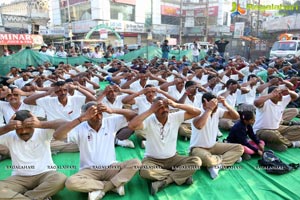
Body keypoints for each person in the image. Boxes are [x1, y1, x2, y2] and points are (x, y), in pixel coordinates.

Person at [53, 102, 141, 200]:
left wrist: (112, 110)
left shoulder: (109, 122)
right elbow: (57, 136)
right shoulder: (79, 128)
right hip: (89, 171)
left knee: (136, 163)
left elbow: (134, 116)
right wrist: (80, 119)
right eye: (94, 114)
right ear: (86, 115)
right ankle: (113, 186)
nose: (99, 117)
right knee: (71, 183)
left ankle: (103, 188)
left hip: (111, 168)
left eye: (100, 113)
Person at [128, 97, 202, 195]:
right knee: (144, 171)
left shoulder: (175, 117)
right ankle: (181, 176)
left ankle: (165, 182)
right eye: (160, 107)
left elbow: (197, 112)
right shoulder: (148, 120)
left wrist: (176, 105)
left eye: (166, 107)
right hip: (152, 160)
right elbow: (131, 126)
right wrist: (150, 110)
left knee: (196, 161)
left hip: (173, 158)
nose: (165, 109)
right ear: (154, 109)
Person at [0, 110, 67, 199]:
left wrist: (40, 124)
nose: (23, 131)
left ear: (33, 124)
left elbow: (65, 123)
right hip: (19, 178)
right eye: (19, 128)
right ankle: (38, 196)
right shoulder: (9, 134)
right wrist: (7, 127)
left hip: (45, 174)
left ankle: (27, 196)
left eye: (27, 127)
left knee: (60, 179)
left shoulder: (42, 131)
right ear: (14, 127)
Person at [190, 92, 244, 179]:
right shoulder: (197, 112)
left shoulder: (217, 111)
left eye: (216, 104)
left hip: (213, 145)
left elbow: (236, 116)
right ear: (204, 102)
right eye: (213, 104)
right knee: (207, 159)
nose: (215, 106)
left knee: (239, 148)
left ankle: (217, 165)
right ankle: (225, 160)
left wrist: (225, 104)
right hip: (198, 148)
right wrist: (209, 109)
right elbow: (199, 125)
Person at [253, 86, 300, 152]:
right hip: (261, 130)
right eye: (278, 93)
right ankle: (291, 144)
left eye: (281, 93)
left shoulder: (282, 100)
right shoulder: (265, 102)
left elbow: (295, 96)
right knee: (273, 134)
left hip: (277, 128)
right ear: (271, 94)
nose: (281, 95)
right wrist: (271, 94)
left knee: (298, 129)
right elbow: (256, 102)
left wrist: (288, 91)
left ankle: (274, 142)